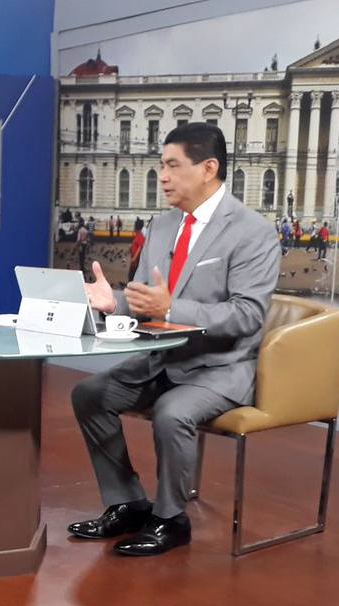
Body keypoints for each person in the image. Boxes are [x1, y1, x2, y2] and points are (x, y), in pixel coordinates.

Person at [69, 123, 280, 556]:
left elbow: (247, 315)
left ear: (208, 168)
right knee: (89, 394)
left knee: (172, 412)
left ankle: (170, 518)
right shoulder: (162, 226)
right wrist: (114, 302)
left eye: (171, 165)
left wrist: (169, 310)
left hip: (221, 366)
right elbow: (147, 300)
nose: (162, 176)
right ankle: (128, 503)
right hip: (160, 359)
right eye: (160, 166)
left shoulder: (253, 231)